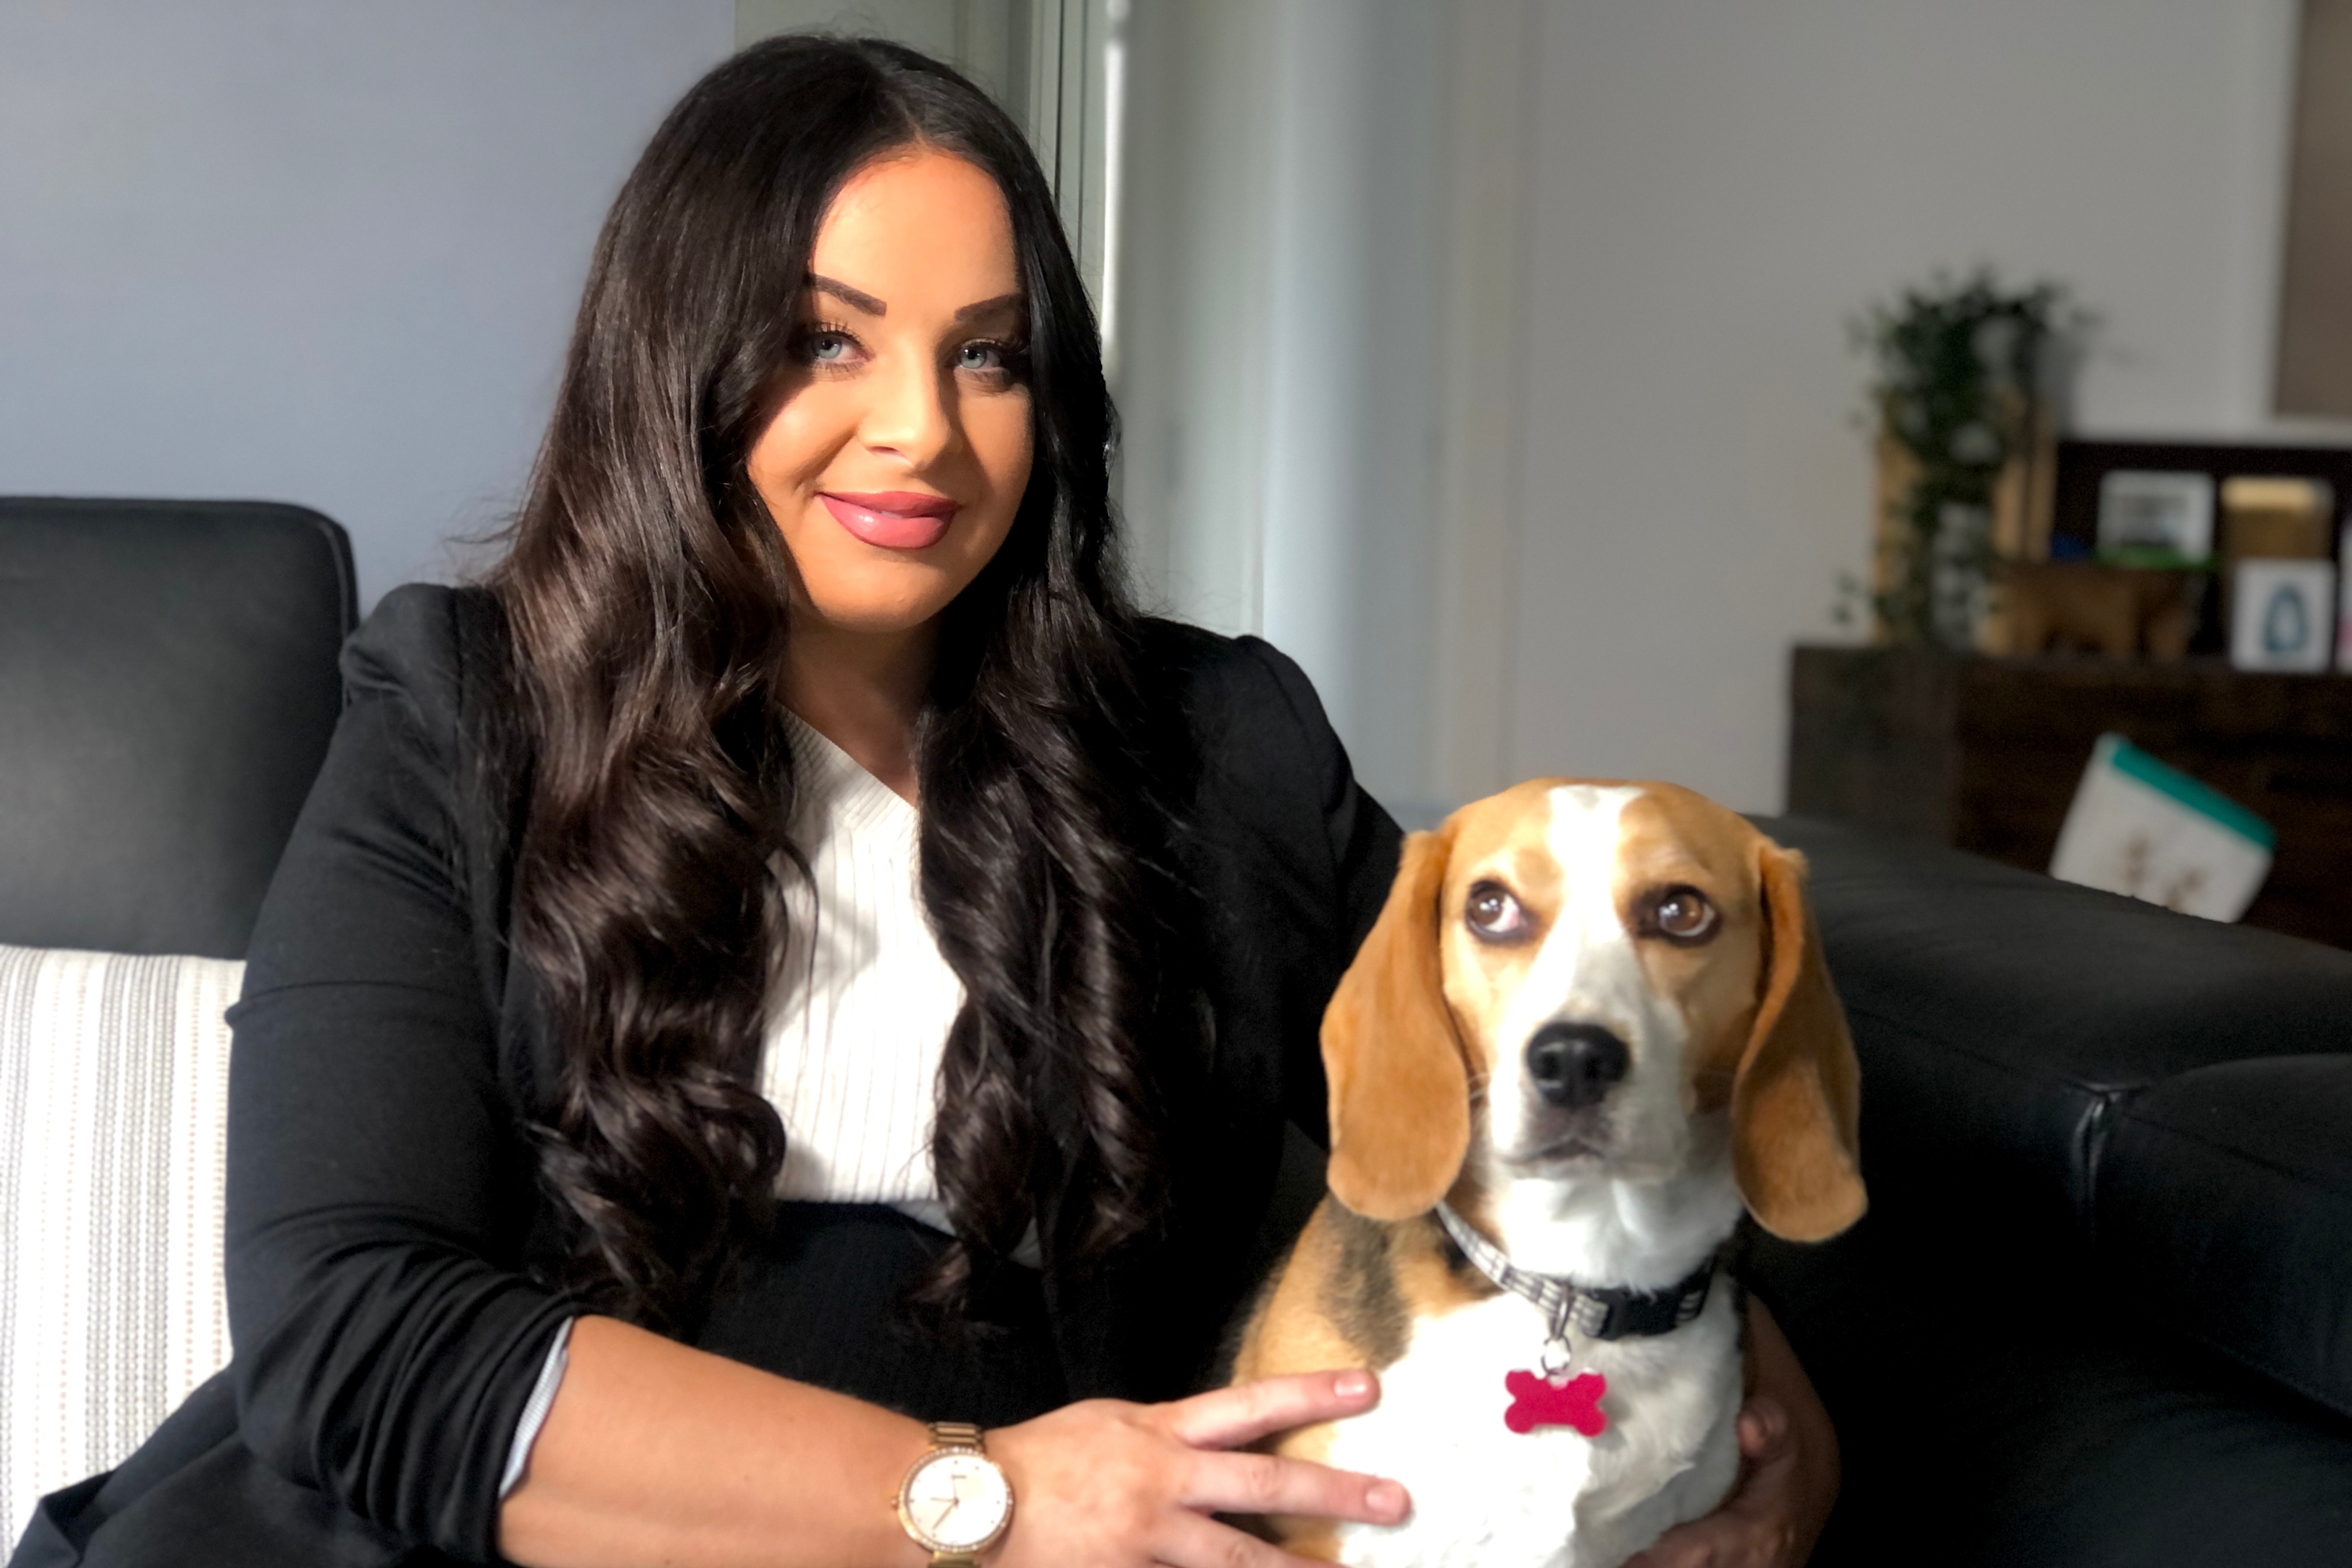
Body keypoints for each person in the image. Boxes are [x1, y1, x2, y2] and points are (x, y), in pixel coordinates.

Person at [12, 36, 1837, 1568]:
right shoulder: (457, 715)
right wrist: (984, 1495)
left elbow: (1568, 1100)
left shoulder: (1220, 747)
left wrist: (1770, 1434)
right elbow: (353, 1340)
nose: (922, 435)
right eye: (829, 341)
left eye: (988, 356)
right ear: (681, 362)